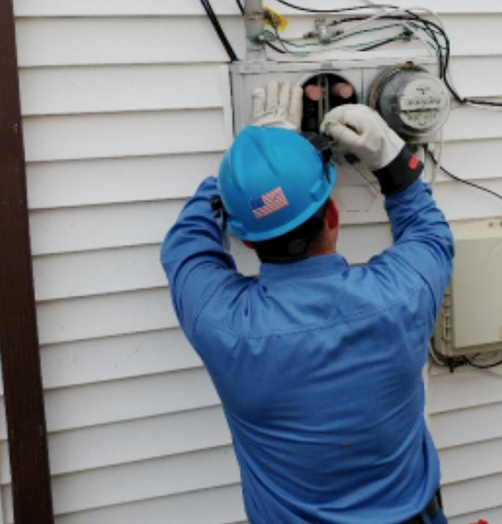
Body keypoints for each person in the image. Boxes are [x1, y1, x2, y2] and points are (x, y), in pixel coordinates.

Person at [160, 81, 454, 524]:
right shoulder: (401, 296)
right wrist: (390, 155)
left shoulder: (223, 325)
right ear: (332, 216)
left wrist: (249, 173)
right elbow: (430, 234)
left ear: (241, 237)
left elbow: (186, 247)